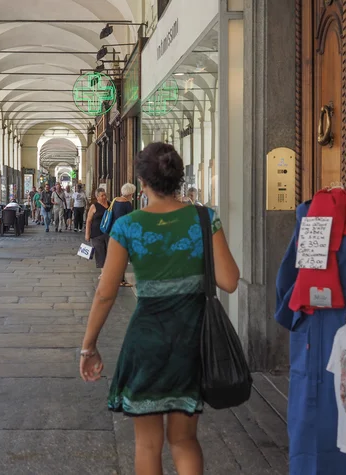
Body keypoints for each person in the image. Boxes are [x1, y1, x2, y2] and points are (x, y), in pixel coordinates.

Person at [79, 142, 240, 475]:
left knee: (148, 444)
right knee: (184, 441)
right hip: (191, 339)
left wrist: (88, 346)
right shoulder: (204, 218)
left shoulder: (128, 226)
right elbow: (230, 280)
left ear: (142, 182)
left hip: (148, 339)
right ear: (179, 178)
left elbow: (106, 293)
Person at [110, 182, 136, 287]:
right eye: (132, 193)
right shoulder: (127, 204)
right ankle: (120, 280)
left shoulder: (115, 201)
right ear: (130, 194)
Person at [85, 188, 110, 279]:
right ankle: (103, 273)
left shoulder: (110, 204)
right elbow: (88, 221)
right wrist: (87, 234)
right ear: (97, 197)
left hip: (109, 233)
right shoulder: (94, 206)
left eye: (105, 195)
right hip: (96, 233)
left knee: (109, 253)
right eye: (102, 195)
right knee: (100, 253)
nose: (104, 197)